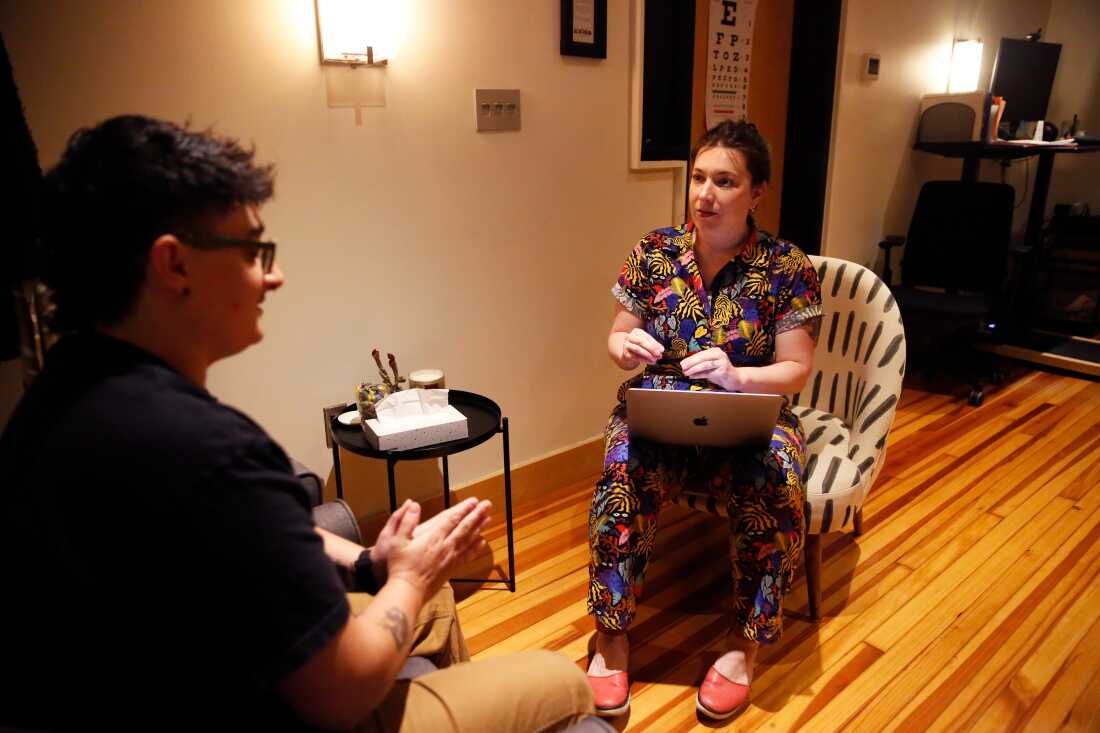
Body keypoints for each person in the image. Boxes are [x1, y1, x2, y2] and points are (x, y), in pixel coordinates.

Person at [0, 115, 598, 732]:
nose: (273, 275)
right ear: (174, 266)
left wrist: (374, 564)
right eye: (254, 251)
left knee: (438, 602)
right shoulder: (203, 449)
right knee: (561, 681)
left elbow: (252, 533)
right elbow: (336, 693)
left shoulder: (61, 391)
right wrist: (413, 575)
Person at [584, 120, 823, 720]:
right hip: (659, 404)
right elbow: (615, 336)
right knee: (620, 476)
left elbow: (795, 369)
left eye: (724, 181)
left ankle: (744, 647)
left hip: (747, 411)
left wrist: (739, 376)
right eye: (698, 177)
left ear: (757, 192)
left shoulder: (786, 267)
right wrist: (627, 346)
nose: (704, 195)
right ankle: (611, 639)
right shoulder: (653, 252)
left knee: (777, 484)